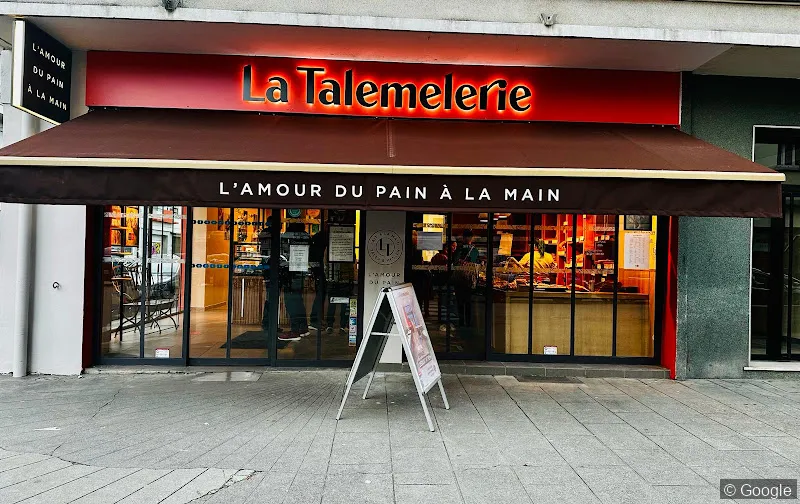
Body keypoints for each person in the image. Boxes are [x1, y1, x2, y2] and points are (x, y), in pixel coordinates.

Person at [280, 222, 310, 341]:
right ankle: (303, 328)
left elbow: (283, 256)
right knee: (298, 301)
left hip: (290, 274)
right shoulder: (307, 238)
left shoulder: (286, 237)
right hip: (301, 273)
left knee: (291, 301)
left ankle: (295, 330)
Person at [452, 230, 479, 328]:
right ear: (472, 238)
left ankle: (461, 321)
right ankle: (468, 322)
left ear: (463, 238)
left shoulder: (459, 249)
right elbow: (476, 263)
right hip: (468, 279)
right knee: (468, 301)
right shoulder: (474, 250)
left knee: (460, 301)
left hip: (459, 278)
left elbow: (454, 262)